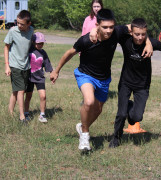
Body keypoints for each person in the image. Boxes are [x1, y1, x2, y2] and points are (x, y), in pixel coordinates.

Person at [50, 9, 153, 151]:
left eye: (111, 27)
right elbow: (69, 53)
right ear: (97, 25)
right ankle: (85, 136)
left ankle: (82, 126)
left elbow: (136, 27)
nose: (109, 30)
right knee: (89, 101)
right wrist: (56, 70)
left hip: (104, 79)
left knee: (97, 110)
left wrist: (148, 43)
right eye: (105, 27)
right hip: (85, 75)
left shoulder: (116, 32)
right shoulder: (87, 39)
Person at [109, 18, 161, 148]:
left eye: (143, 34)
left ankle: (130, 106)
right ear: (131, 32)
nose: (140, 37)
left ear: (146, 33)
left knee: (136, 117)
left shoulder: (151, 43)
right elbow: (114, 30)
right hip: (125, 82)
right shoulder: (125, 39)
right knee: (121, 114)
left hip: (142, 85)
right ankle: (116, 138)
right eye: (137, 34)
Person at [4, 10, 34, 123]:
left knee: (16, 91)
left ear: (29, 24)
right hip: (14, 65)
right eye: (17, 22)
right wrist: (7, 66)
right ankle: (22, 116)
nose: (19, 25)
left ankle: (10, 112)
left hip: (26, 65)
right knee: (21, 90)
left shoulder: (31, 31)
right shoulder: (13, 31)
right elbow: (6, 47)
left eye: (22, 24)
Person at [24, 32, 53, 123]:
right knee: (28, 96)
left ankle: (42, 115)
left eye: (42, 43)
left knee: (43, 96)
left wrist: (52, 73)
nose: (40, 45)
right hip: (29, 78)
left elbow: (47, 65)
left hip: (39, 78)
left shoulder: (43, 53)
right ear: (33, 42)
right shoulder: (28, 50)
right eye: (38, 43)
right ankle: (26, 113)